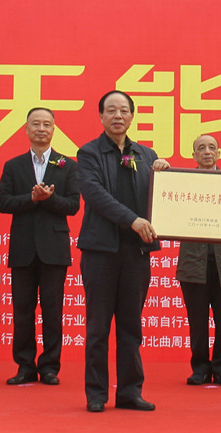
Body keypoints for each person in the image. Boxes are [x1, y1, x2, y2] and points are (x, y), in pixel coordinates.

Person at [77, 90, 171, 412]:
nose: (118, 116)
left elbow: (159, 197)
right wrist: (132, 220)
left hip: (135, 253)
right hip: (100, 252)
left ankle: (130, 391)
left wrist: (164, 174)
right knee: (98, 326)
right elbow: (95, 194)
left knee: (131, 327)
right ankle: (96, 393)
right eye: (111, 110)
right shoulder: (89, 153)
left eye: (124, 111)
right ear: (101, 116)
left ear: (132, 116)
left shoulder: (146, 154)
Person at [0, 108, 80, 386]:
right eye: (36, 124)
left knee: (52, 310)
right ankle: (24, 366)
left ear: (54, 129)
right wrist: (31, 199)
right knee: (23, 311)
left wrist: (48, 199)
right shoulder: (13, 165)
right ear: (26, 129)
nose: (41, 128)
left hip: (54, 248)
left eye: (46, 124)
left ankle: (50, 367)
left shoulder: (67, 165)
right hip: (22, 247)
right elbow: (2, 202)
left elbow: (73, 205)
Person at [177, 135, 221, 386]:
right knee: (197, 320)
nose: (207, 152)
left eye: (212, 148)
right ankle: (200, 367)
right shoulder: (182, 184)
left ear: (219, 154)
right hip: (193, 262)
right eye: (201, 148)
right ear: (193, 155)